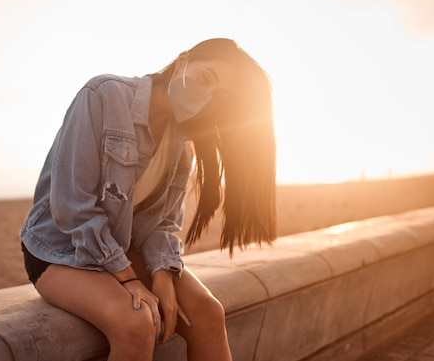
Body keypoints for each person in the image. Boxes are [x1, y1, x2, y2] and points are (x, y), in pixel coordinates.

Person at [20, 38, 276, 361]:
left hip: (120, 248)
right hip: (59, 249)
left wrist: (162, 274)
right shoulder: (102, 95)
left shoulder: (183, 146)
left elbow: (163, 224)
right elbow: (72, 209)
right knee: (136, 323)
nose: (206, 98)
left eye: (219, 98)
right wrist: (128, 278)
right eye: (206, 79)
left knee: (208, 314)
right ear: (183, 61)